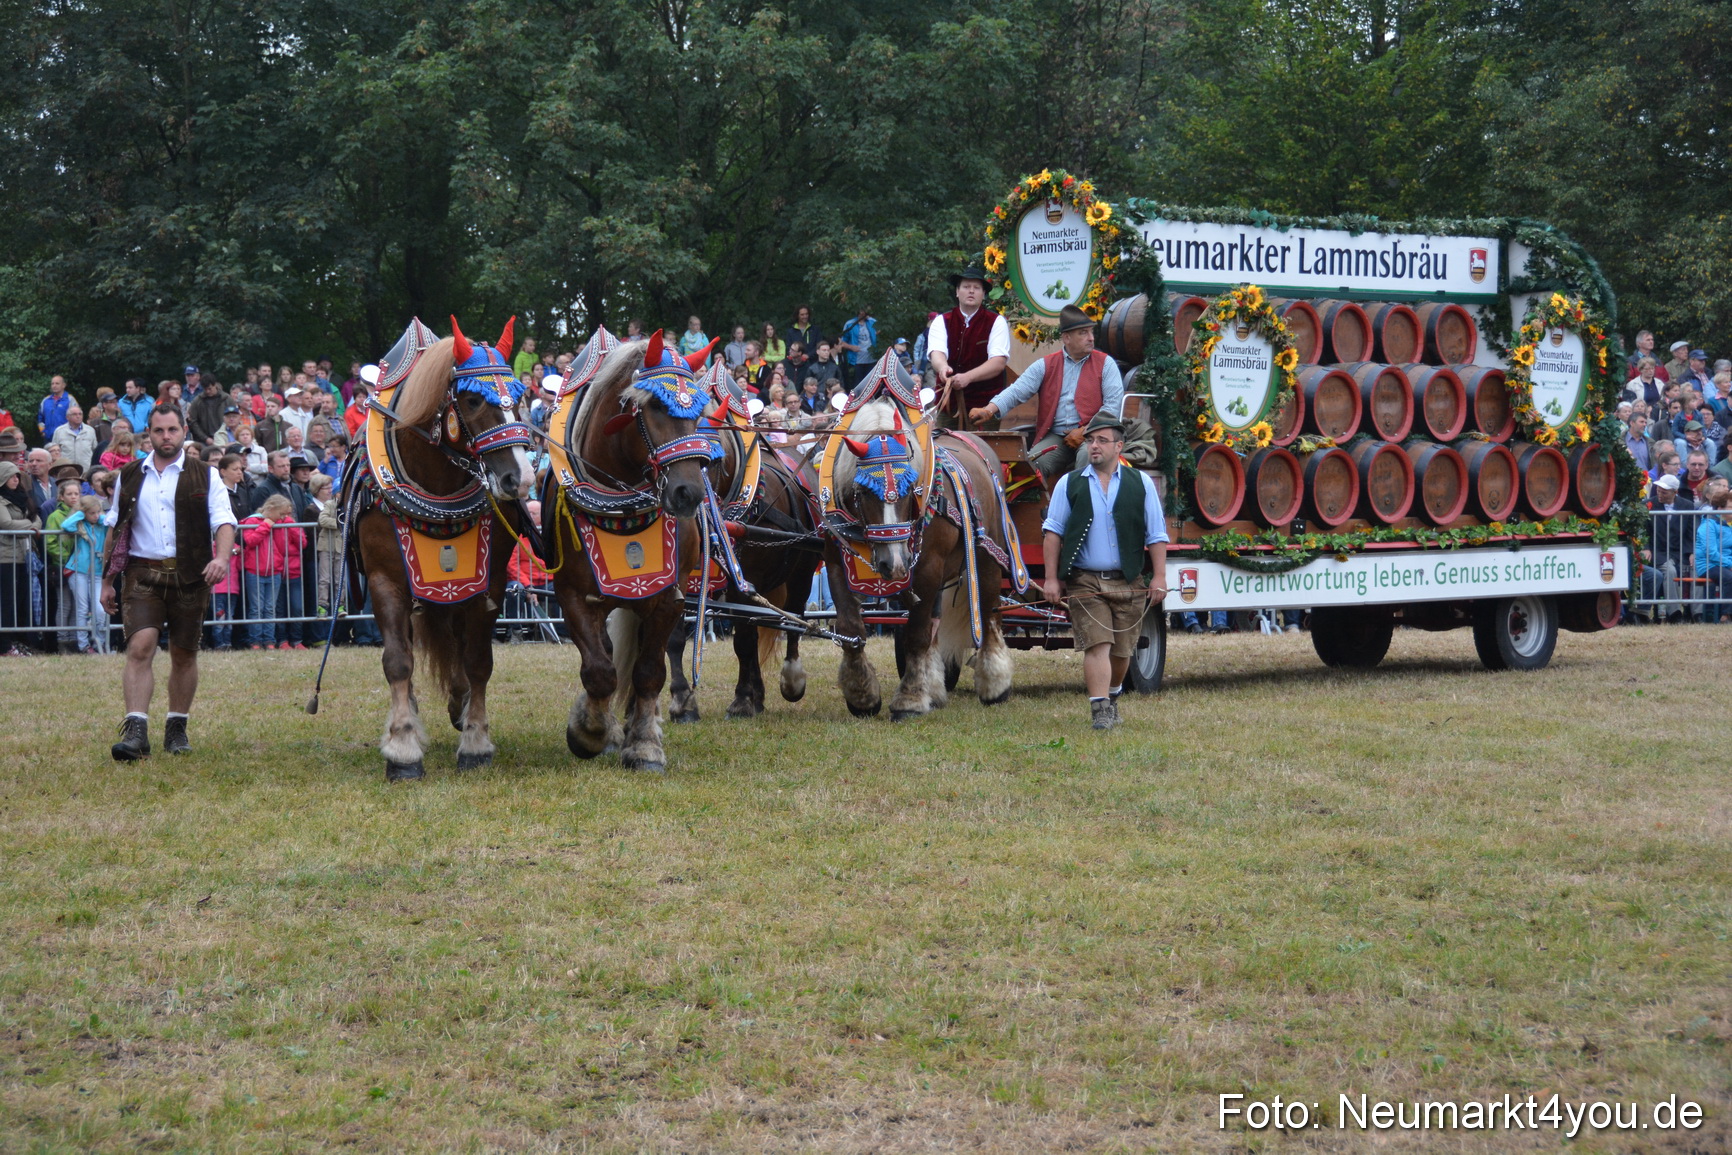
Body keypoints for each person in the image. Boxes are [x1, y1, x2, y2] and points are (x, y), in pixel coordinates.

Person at [101, 404, 239, 759]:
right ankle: (135, 732)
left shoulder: (205, 475)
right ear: (148, 433)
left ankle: (176, 728)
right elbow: (115, 529)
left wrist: (221, 558)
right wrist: (107, 581)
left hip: (191, 576)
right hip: (142, 573)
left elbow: (224, 521)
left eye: (172, 430)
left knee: (183, 653)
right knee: (140, 647)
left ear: (184, 430)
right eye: (159, 431)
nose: (166, 437)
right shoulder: (130, 475)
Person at [1039, 412, 1168, 730]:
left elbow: (1156, 534)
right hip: (1084, 580)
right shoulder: (1069, 484)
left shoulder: (1141, 485)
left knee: (1122, 652)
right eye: (1090, 440)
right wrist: (1052, 578)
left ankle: (1111, 696)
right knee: (1098, 644)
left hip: (1128, 581)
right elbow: (1053, 532)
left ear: (1119, 446)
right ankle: (1099, 710)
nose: (1093, 446)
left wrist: (1161, 577)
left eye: (1101, 440)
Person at [971, 304, 1123, 479]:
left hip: (1094, 435)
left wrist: (1086, 431)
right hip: (1056, 436)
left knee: (1087, 458)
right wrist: (989, 409)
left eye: (1091, 332)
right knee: (1032, 464)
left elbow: (1112, 406)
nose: (1091, 338)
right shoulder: (1045, 364)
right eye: (1083, 333)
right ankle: (1043, 507)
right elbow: (1016, 391)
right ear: (1066, 338)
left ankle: (1083, 506)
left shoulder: (1106, 363)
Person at [927, 259, 1010, 427]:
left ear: (983, 294)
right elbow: (937, 353)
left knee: (984, 452)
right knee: (943, 449)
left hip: (985, 406)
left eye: (976, 288)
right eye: (966, 287)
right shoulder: (942, 321)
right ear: (957, 292)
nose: (971, 291)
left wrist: (968, 377)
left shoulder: (996, 321)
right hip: (948, 404)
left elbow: (998, 362)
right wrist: (943, 368)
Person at [239, 494, 299, 651]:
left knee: (270, 608)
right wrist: (266, 525)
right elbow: (250, 541)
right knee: (256, 608)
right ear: (271, 509)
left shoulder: (278, 523)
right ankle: (255, 641)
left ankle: (269, 640)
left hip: (274, 570)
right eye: (282, 514)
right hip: (255, 571)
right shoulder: (252, 521)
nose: (283, 517)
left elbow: (282, 545)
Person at [60, 494, 110, 653]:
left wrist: (101, 517)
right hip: (78, 571)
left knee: (100, 609)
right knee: (82, 608)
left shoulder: (102, 525)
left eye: (97, 512)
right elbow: (66, 525)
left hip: (97, 572)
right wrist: (81, 513)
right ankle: (83, 646)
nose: (95, 516)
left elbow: (111, 523)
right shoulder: (80, 525)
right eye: (92, 513)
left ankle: (99, 643)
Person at [0, 460, 40, 653]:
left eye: (17, 476)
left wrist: (32, 526)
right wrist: (30, 527)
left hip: (22, 555)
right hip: (4, 556)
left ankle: (16, 641)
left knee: (19, 601)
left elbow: (37, 518)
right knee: (6, 602)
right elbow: (5, 524)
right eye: (11, 476)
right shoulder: (1, 500)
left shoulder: (22, 497)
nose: (16, 479)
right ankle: (4, 645)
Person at [1695, 489, 1732, 622]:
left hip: (1725, 563)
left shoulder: (1728, 526)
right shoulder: (1708, 525)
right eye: (1730, 507)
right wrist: (1730, 564)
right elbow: (1711, 553)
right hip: (1708, 565)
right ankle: (1726, 615)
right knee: (1729, 577)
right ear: (1720, 508)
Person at [838, 306, 878, 389]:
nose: (862, 312)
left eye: (864, 310)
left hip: (872, 359)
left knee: (871, 385)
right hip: (856, 360)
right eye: (861, 310)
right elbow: (841, 341)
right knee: (857, 384)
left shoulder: (873, 322)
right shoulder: (850, 323)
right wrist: (851, 347)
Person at [50, 404, 97, 470]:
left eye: (80, 414)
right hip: (65, 469)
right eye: (74, 414)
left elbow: (94, 450)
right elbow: (54, 451)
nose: (78, 416)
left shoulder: (90, 431)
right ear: (67, 417)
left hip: (86, 470)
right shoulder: (59, 431)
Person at [37, 375, 72, 442]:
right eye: (52, 383)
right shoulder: (46, 400)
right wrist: (42, 431)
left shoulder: (70, 400)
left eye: (57, 383)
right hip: (48, 438)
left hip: (65, 438)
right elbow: (40, 418)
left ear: (63, 385)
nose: (54, 385)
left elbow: (75, 417)